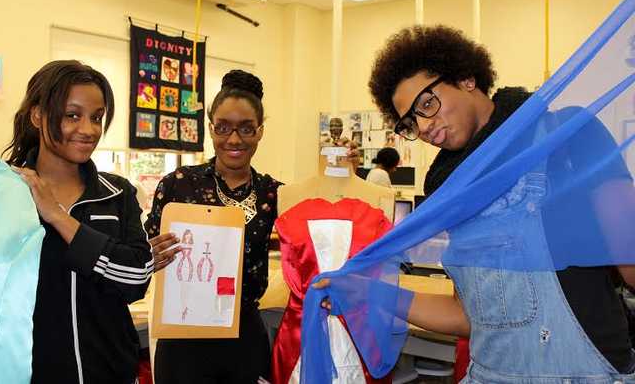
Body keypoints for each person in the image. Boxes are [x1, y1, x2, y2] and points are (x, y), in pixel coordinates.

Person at [317, 25, 635, 382]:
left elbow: (631, 267)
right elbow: (471, 315)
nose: (423, 126)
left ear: (467, 79)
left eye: (427, 103)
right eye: (410, 122)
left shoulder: (567, 135)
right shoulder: (446, 188)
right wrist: (371, 293)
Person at [3, 60, 158, 384]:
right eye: (72, 115)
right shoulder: (4, 192)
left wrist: (58, 216)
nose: (88, 130)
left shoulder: (116, 194)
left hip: (109, 372)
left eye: (97, 117)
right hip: (26, 372)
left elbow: (135, 277)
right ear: (38, 116)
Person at [145, 69, 282, 383]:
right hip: (183, 337)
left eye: (246, 129)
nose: (234, 140)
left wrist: (343, 167)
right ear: (210, 128)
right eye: (223, 128)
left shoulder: (274, 193)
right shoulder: (178, 185)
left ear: (260, 131)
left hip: (243, 338)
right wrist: (147, 255)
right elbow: (149, 256)